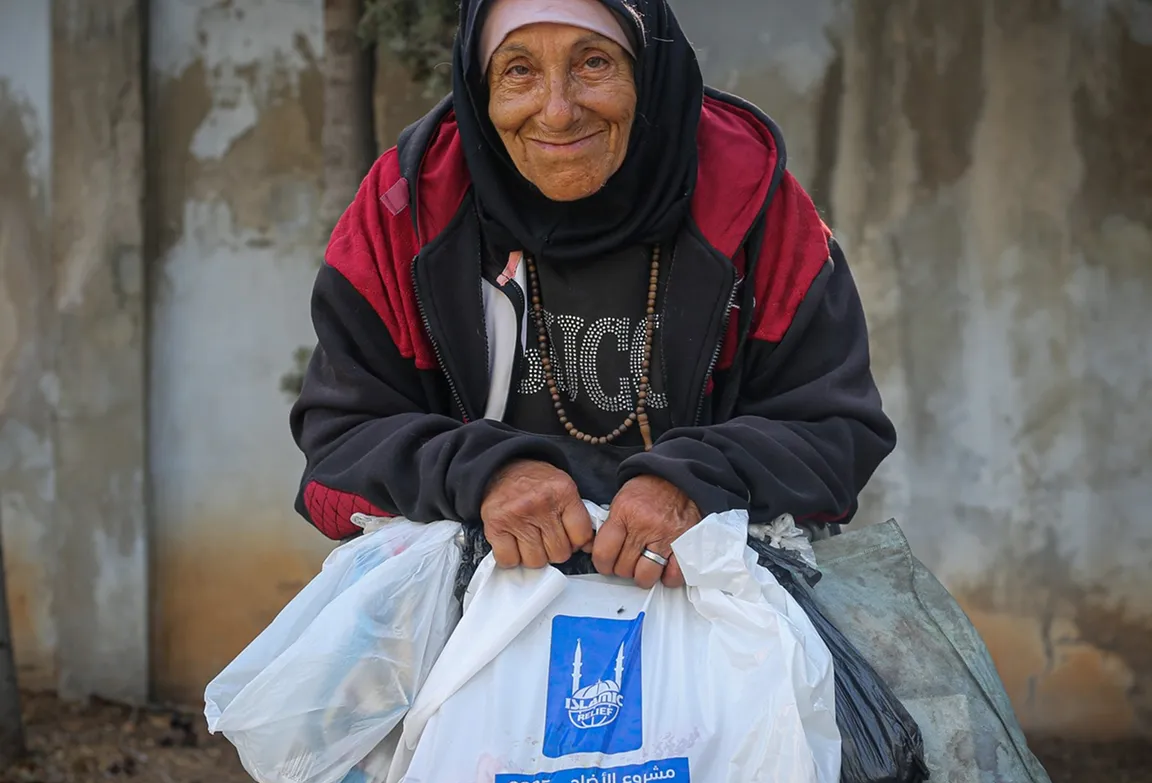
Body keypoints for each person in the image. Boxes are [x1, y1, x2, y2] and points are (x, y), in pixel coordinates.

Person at [291, 0, 896, 590]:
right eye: (519, 70)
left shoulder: (752, 201)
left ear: (647, 68)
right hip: (465, 619)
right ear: (481, 84)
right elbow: (339, 441)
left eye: (594, 63)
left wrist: (696, 483)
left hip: (710, 613)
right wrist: (481, 474)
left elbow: (836, 432)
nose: (557, 112)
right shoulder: (410, 207)